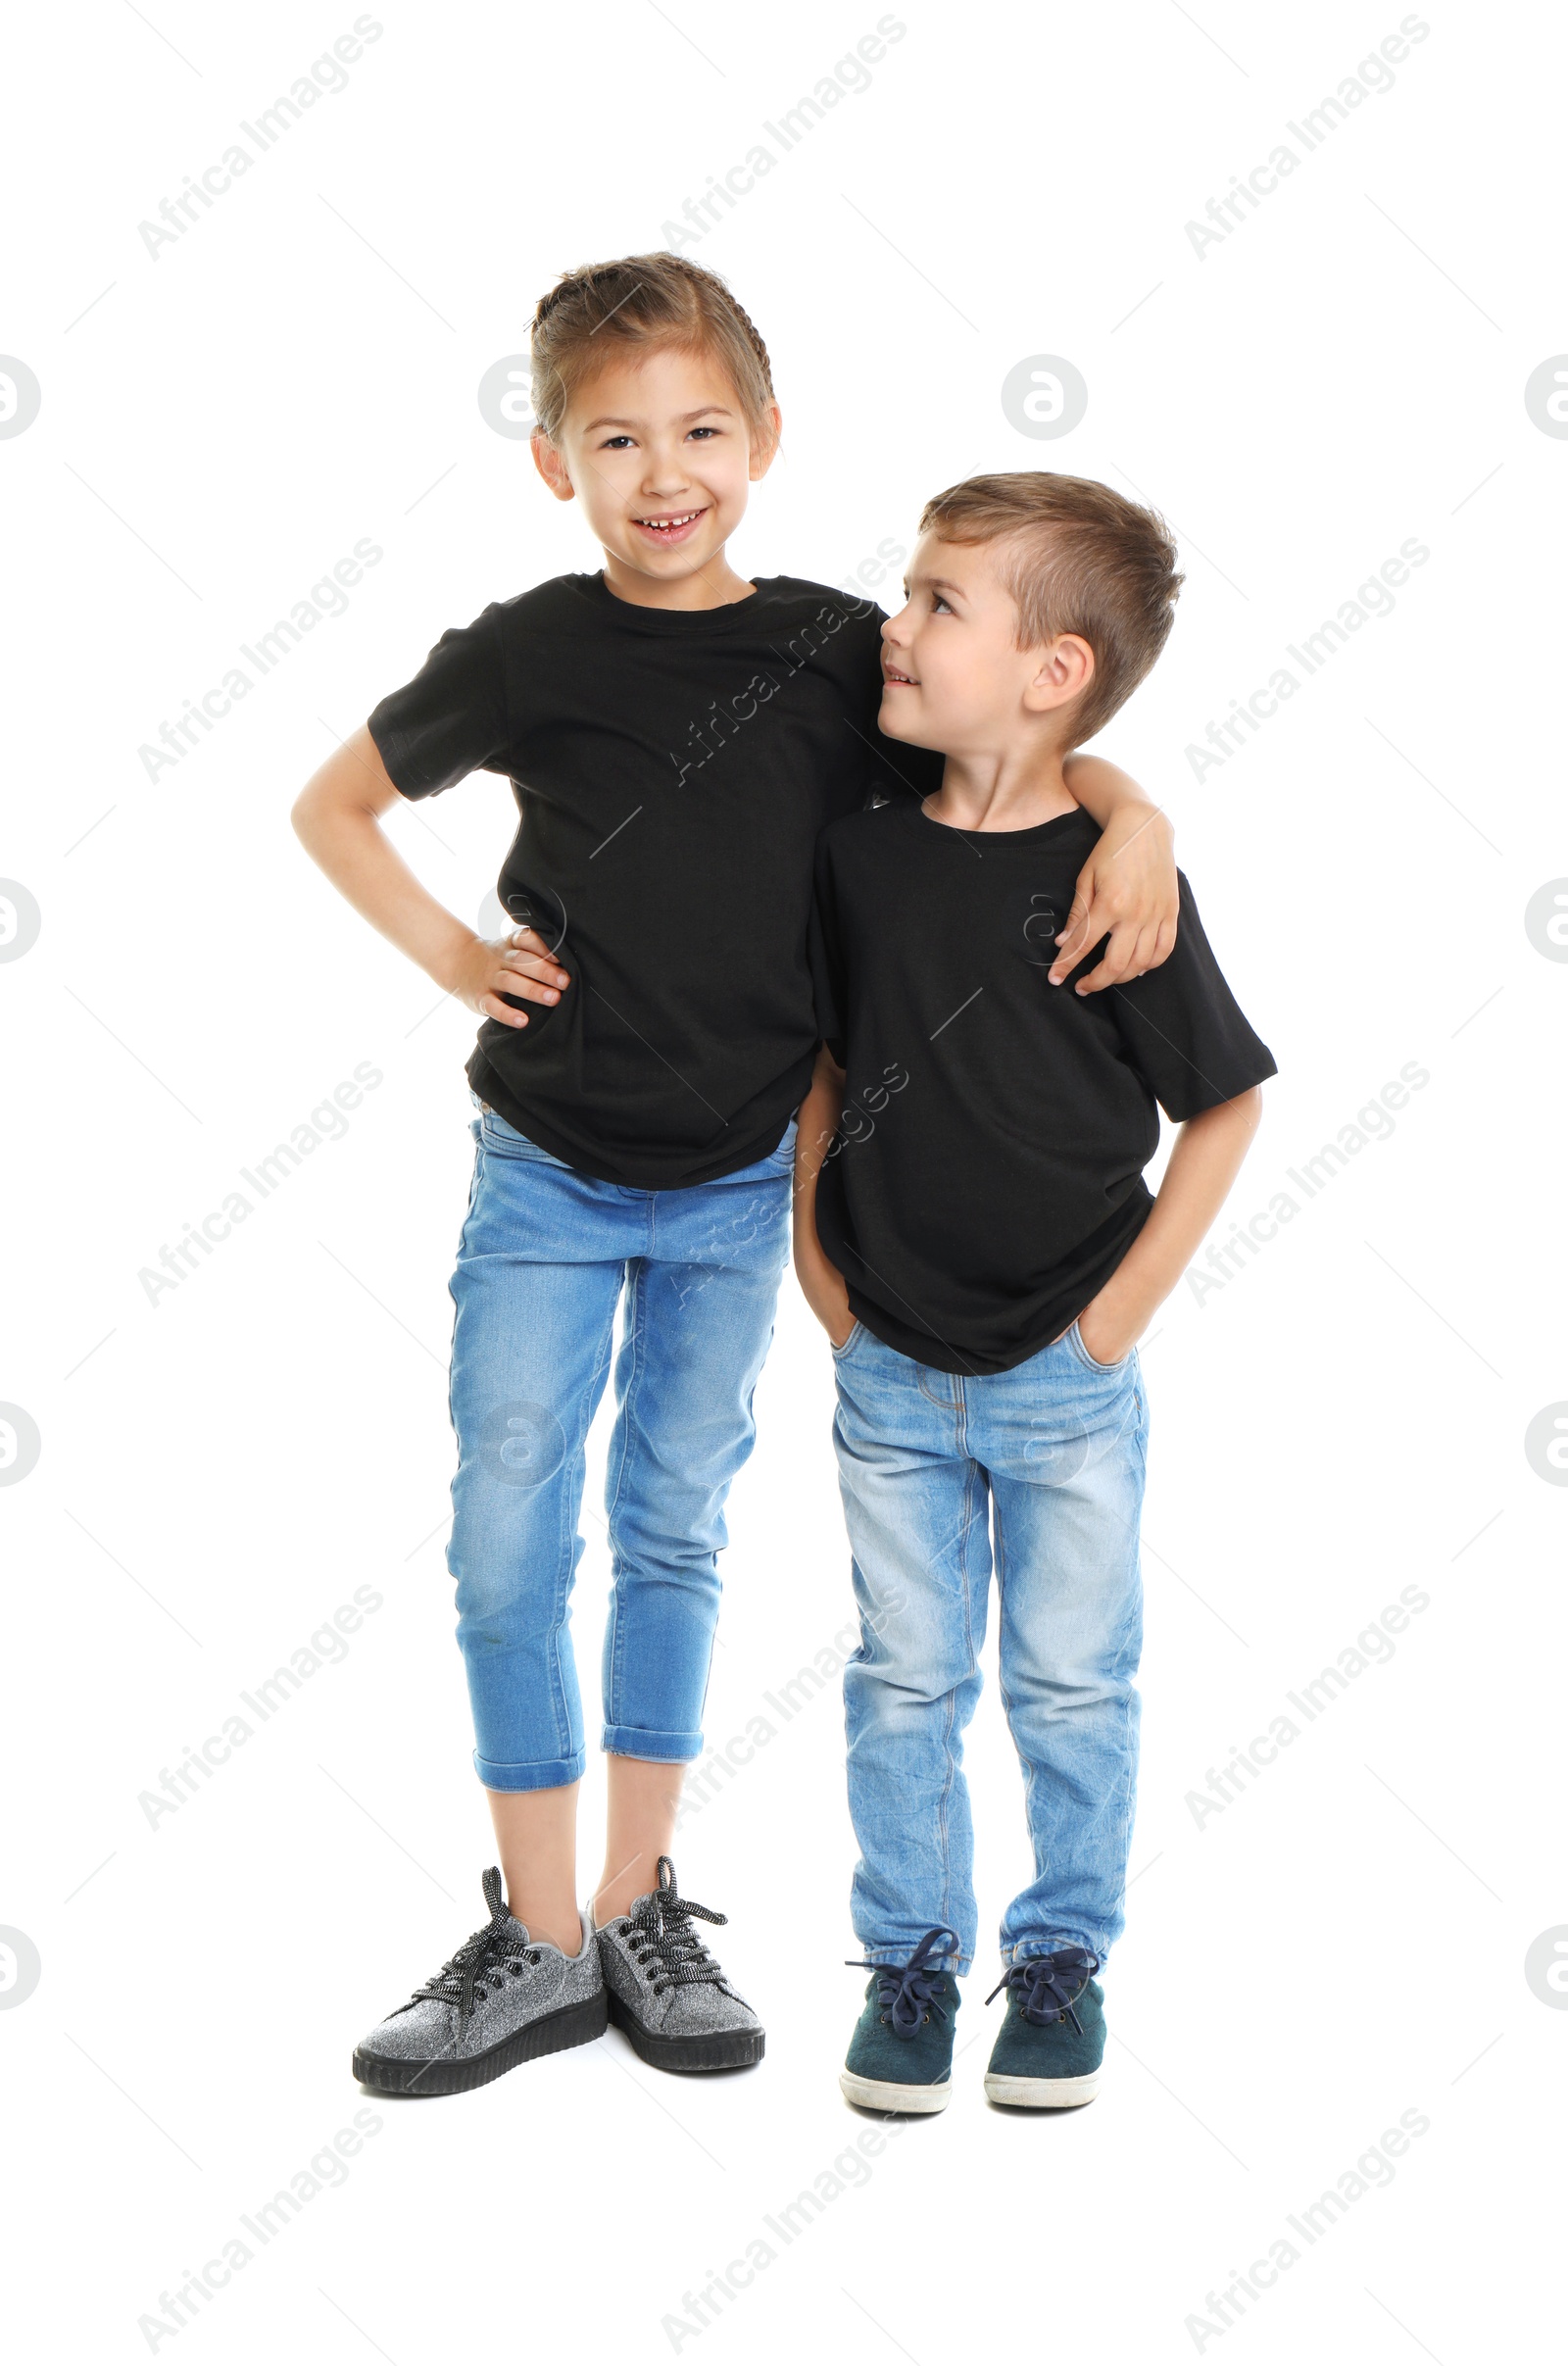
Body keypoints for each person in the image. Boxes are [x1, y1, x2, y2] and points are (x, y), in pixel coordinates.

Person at [292, 256, 1180, 2096]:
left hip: (726, 1197)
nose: (661, 469)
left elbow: (1018, 744)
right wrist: (461, 959)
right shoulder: (531, 649)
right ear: (554, 461)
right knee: (507, 1532)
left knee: (676, 1528)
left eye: (700, 428)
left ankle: (636, 1898)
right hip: (546, 1168)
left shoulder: (833, 649)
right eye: (613, 437)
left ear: (765, 442)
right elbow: (335, 804)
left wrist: (1143, 812)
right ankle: (537, 1937)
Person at [794, 471, 1276, 2112]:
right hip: (889, 1364)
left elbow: (1224, 1102)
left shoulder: (1115, 878)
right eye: (906, 591)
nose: (897, 624)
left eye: (939, 601)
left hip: (1068, 1364)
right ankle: (913, 1962)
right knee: (901, 1679)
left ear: (1054, 670)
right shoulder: (856, 852)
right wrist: (818, 1257)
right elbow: (829, 1058)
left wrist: (1118, 1318)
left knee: (1071, 1679)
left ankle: (1058, 1957)